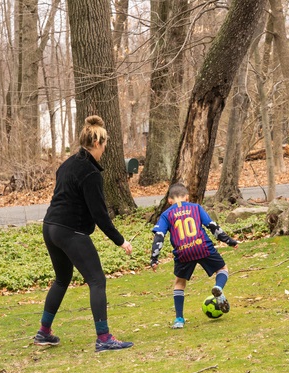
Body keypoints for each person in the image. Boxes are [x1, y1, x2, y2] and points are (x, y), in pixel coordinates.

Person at [34, 115, 134, 352]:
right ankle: (104, 338)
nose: (105, 148)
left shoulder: (67, 164)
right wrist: (120, 241)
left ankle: (44, 332)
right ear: (98, 143)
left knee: (62, 279)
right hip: (70, 231)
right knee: (97, 280)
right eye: (105, 143)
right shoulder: (91, 172)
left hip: (50, 227)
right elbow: (100, 215)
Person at [150, 183, 238, 329]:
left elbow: (159, 236)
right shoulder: (196, 208)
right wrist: (229, 240)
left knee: (179, 283)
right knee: (222, 269)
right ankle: (218, 287)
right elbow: (212, 225)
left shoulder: (166, 214)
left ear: (169, 201)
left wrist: (154, 258)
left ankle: (179, 319)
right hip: (202, 246)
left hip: (183, 252)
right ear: (187, 197)